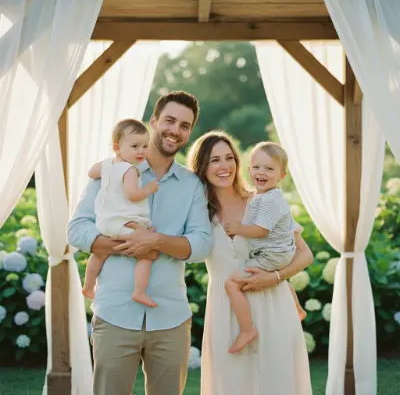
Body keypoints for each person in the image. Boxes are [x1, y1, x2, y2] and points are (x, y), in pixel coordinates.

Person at [67, 91, 213, 395]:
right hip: (114, 312)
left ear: (189, 132)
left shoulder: (192, 185)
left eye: (184, 125)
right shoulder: (111, 171)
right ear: (154, 121)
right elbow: (77, 230)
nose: (175, 130)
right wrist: (129, 244)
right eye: (169, 120)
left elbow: (201, 244)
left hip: (171, 317)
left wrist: (155, 241)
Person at [187, 131, 313, 395]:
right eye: (214, 160)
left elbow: (305, 254)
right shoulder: (197, 214)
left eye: (229, 158)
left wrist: (275, 277)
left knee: (276, 384)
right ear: (202, 167)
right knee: (232, 384)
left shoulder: (262, 202)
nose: (224, 166)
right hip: (225, 309)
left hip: (272, 305)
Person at [224, 141, 307, 353]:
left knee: (232, 284)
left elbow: (261, 230)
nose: (261, 172)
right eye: (256, 167)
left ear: (282, 175)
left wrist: (238, 228)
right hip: (277, 253)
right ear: (249, 168)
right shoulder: (261, 196)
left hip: (272, 254)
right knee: (277, 281)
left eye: (269, 169)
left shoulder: (271, 200)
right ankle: (297, 307)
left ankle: (247, 330)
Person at [81, 119, 159, 307]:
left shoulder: (108, 165)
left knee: (99, 254)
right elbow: (132, 195)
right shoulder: (130, 170)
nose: (141, 151)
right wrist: (149, 189)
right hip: (122, 222)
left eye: (145, 146)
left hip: (105, 222)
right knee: (149, 252)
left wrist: (107, 163)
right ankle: (139, 291)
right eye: (135, 146)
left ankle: (88, 285)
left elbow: (91, 172)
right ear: (117, 147)